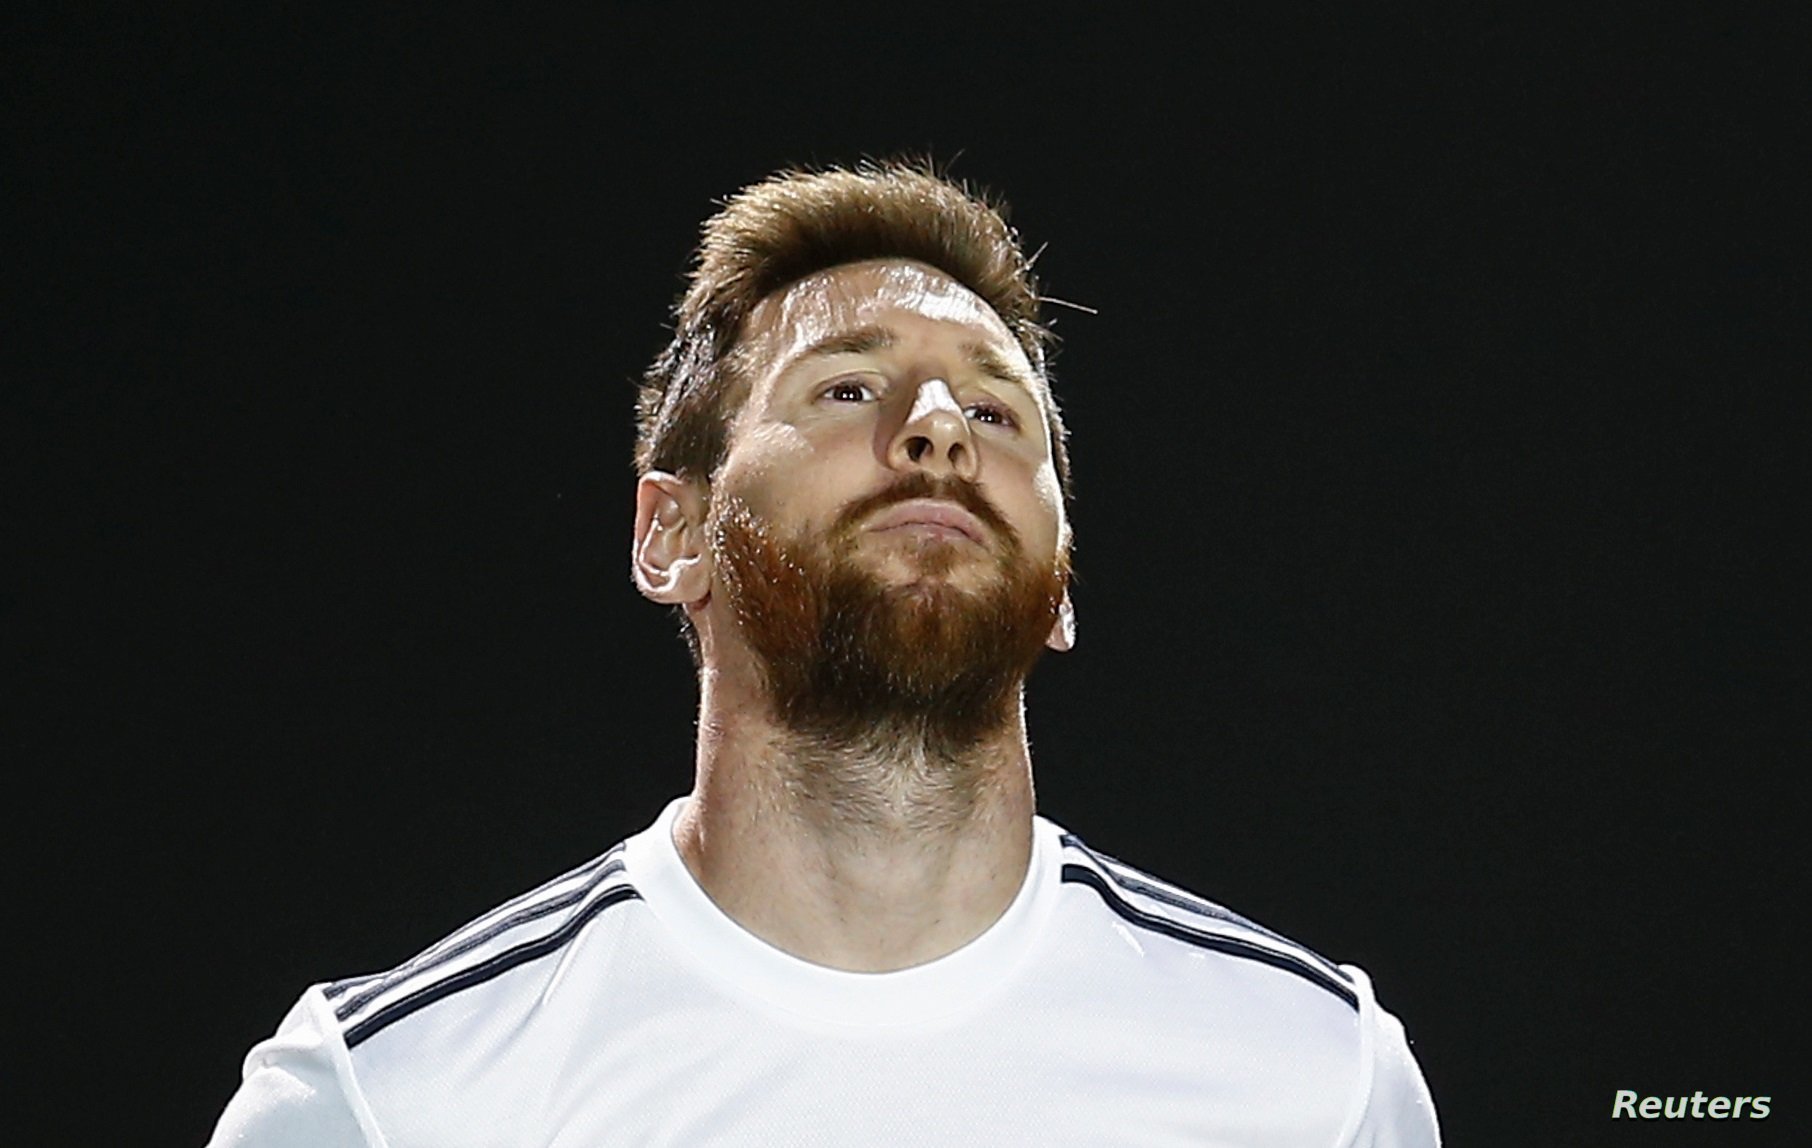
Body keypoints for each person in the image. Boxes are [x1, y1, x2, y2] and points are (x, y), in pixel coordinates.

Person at [207, 160, 1440, 1146]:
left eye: (995, 410)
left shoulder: (1315, 1079)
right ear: (670, 533)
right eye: (848, 387)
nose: (939, 428)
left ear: (1063, 582)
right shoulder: (394, 1099)